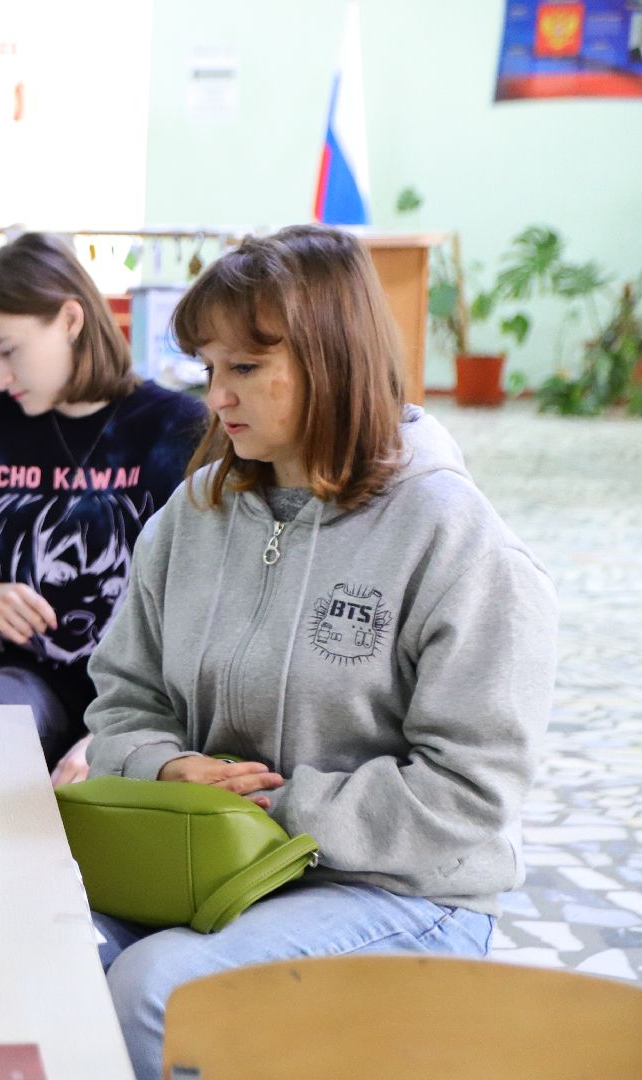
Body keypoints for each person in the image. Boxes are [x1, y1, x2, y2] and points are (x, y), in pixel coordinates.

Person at [80, 224, 557, 1080]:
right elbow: (121, 700)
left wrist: (277, 811)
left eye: (246, 369)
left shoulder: (454, 540)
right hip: (208, 864)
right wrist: (160, 767)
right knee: (51, 945)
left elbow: (471, 794)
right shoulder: (193, 516)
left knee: (159, 989)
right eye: (208, 369)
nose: (217, 396)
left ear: (332, 358)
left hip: (405, 893)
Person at [0, 233, 206, 775]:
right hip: (24, 686)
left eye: (8, 352)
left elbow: (202, 619)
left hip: (149, 703)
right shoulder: (0, 424)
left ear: (70, 320)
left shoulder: (175, 429)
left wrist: (111, 738)